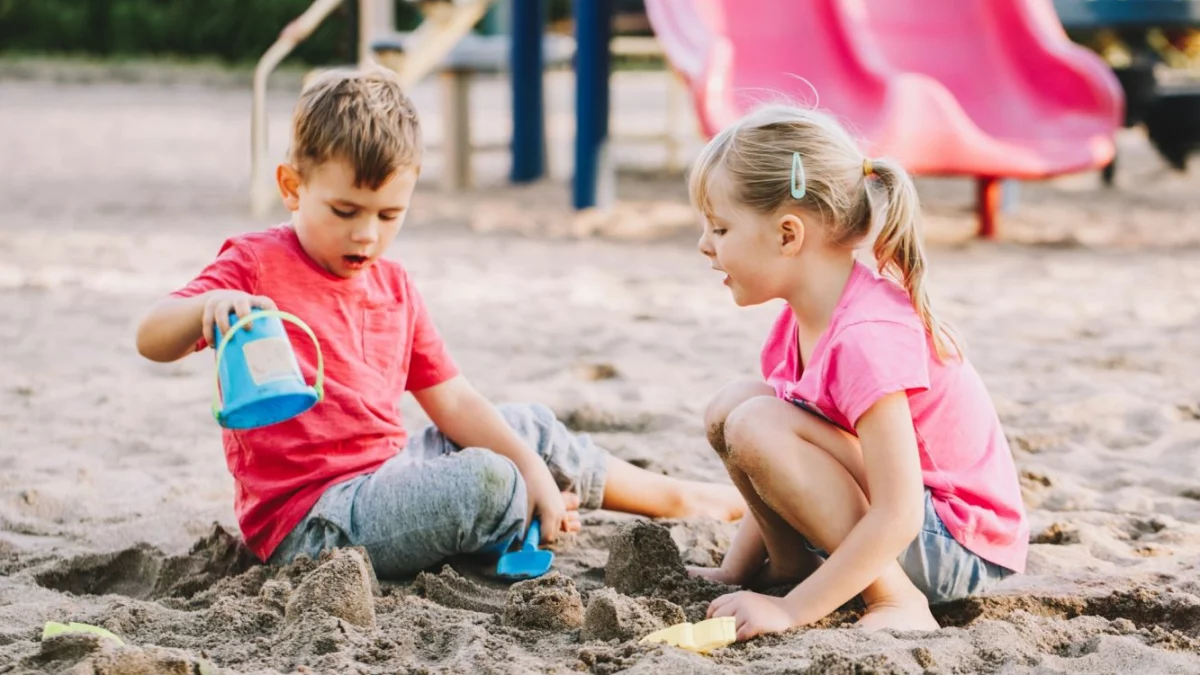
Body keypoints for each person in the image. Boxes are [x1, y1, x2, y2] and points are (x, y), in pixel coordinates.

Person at [134, 65, 744, 578]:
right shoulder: (255, 264)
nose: (366, 234)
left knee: (523, 428)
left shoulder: (394, 286)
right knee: (487, 481)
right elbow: (152, 336)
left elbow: (452, 400)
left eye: (388, 214)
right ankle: (523, 511)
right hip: (314, 518)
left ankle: (675, 498)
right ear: (292, 187)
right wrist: (205, 310)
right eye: (344, 211)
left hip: (391, 472)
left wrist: (532, 465)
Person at [685, 104, 1028, 638]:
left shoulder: (867, 335)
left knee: (757, 420)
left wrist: (792, 610)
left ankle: (896, 597)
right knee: (735, 407)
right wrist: (737, 570)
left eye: (720, 227)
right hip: (903, 524)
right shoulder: (797, 325)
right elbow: (787, 458)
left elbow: (899, 511)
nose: (705, 245)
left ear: (788, 235)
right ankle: (789, 563)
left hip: (956, 544)